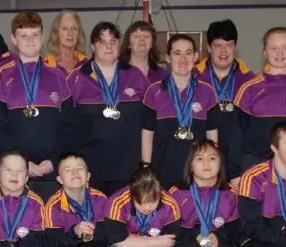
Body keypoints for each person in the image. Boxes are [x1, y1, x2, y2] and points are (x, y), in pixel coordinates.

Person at [0, 12, 73, 200]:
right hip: (15, 171)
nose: (30, 40)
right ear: (13, 39)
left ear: (42, 37)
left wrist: (54, 160)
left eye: (34, 34)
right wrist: (22, 162)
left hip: (51, 170)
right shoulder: (2, 76)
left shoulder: (58, 76)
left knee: (52, 225)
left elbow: (68, 125)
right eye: (23, 35)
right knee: (17, 226)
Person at [67, 22, 149, 196]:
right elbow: (66, 125)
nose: (108, 46)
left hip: (128, 168)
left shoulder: (136, 76)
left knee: (125, 220)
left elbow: (149, 120)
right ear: (92, 46)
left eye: (112, 41)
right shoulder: (76, 78)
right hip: (90, 169)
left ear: (119, 44)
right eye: (102, 42)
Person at [228, 27, 286, 188]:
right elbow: (236, 134)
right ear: (265, 52)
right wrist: (234, 173)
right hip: (255, 166)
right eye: (274, 48)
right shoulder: (248, 89)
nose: (280, 53)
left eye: (285, 48)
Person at [171, 140, 256, 247]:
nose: (206, 163)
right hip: (187, 243)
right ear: (190, 165)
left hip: (218, 241)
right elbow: (170, 229)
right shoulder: (177, 193)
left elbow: (235, 228)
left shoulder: (229, 193)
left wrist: (217, 237)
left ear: (220, 163)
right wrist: (195, 235)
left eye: (212, 158)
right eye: (199, 159)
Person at [142, 34, 218, 189]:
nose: (183, 59)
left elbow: (212, 136)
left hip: (198, 174)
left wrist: (214, 169)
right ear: (168, 58)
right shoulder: (154, 91)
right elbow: (147, 135)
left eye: (188, 53)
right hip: (162, 172)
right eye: (177, 53)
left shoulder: (207, 92)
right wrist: (146, 168)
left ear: (196, 56)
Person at [100, 162, 180, 247]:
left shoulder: (170, 203)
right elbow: (119, 243)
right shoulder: (117, 202)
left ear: (160, 191)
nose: (147, 207)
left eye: (153, 201)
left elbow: (169, 241)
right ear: (132, 192)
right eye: (141, 202)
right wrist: (150, 242)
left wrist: (138, 241)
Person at [44, 152, 114, 247]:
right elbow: (53, 245)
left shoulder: (101, 199)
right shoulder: (52, 205)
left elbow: (104, 235)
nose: (74, 172)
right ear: (59, 179)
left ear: (88, 176)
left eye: (79, 168)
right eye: (68, 170)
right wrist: (73, 233)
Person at [194, 20, 255, 160]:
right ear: (209, 48)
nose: (223, 51)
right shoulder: (194, 78)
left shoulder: (251, 81)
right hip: (202, 157)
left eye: (229, 45)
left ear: (235, 47)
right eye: (217, 45)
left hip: (238, 157)